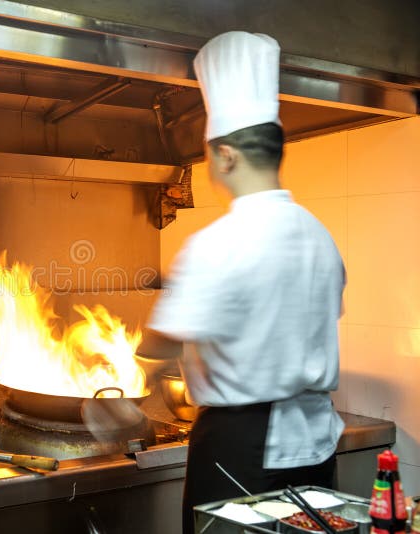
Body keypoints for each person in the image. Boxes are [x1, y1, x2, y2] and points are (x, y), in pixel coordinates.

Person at [134, 31, 346, 534]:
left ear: (226, 155)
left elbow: (160, 342)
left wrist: (136, 382)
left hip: (240, 448)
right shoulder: (320, 238)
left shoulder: (218, 243)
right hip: (316, 445)